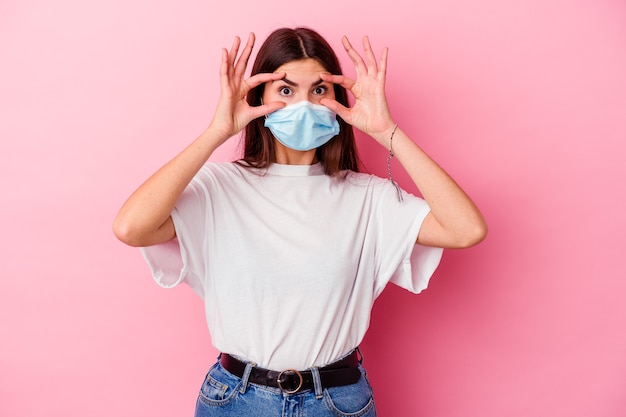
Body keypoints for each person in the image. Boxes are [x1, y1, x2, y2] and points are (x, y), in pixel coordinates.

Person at [113, 27, 487, 417]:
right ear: (259, 99)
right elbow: (131, 227)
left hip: (336, 402)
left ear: (337, 100)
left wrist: (386, 132)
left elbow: (466, 229)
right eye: (286, 91)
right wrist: (217, 132)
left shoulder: (369, 198)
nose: (304, 105)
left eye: (319, 90)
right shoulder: (217, 187)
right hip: (236, 400)